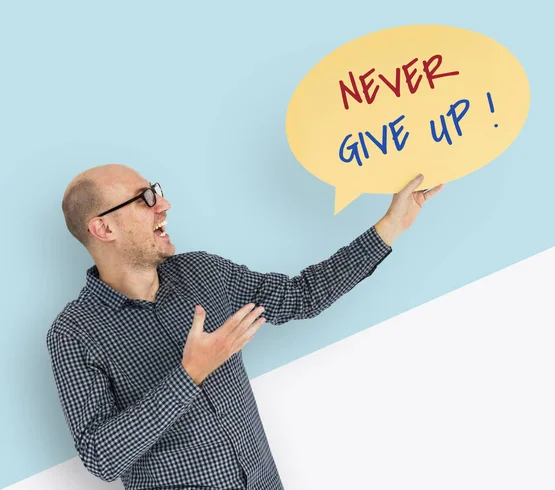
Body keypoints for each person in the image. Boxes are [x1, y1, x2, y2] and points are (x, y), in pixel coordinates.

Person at [47, 164, 443, 490]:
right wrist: (190, 374)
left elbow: (301, 295)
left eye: (157, 190)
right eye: (145, 198)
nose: (163, 204)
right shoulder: (74, 333)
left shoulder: (203, 273)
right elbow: (101, 456)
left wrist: (391, 226)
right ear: (103, 229)